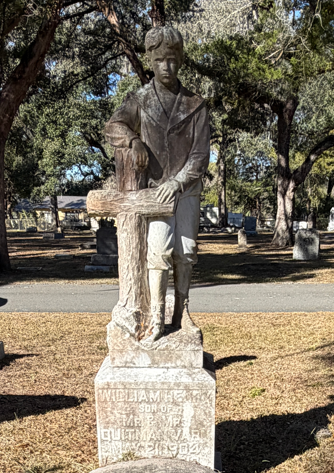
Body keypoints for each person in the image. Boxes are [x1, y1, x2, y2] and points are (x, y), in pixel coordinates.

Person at [104, 26, 210, 342]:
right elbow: (113, 126)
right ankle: (157, 315)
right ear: (151, 59)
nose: (167, 66)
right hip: (155, 192)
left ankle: (183, 311)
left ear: (181, 59)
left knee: (186, 251)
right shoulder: (140, 99)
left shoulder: (196, 104)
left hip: (185, 188)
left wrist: (178, 182)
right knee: (158, 250)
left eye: (173, 59)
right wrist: (133, 139)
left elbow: (201, 154)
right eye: (160, 59)